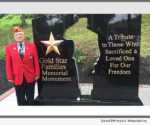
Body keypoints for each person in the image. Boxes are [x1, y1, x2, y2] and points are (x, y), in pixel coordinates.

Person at [5, 26, 40, 105]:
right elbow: (8, 63)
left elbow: (36, 61)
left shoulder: (32, 46)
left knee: (30, 98)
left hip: (30, 76)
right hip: (17, 77)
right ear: (14, 37)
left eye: (21, 34)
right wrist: (9, 76)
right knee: (20, 100)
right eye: (17, 35)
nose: (19, 36)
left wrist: (37, 73)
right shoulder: (9, 48)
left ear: (24, 36)